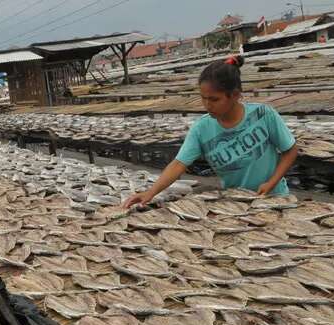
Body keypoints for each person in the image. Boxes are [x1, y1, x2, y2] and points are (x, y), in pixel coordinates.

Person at [123, 55, 298, 209]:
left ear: (235, 95)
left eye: (214, 99)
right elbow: (178, 164)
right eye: (203, 98)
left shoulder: (263, 114)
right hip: (236, 204)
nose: (207, 105)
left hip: (275, 198)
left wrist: (271, 183)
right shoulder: (201, 128)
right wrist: (150, 193)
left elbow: (290, 150)